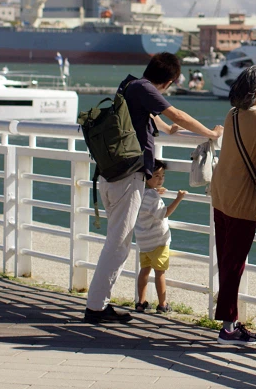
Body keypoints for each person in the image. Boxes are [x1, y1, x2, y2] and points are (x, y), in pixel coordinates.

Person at [85, 53, 223, 324]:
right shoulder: (145, 88)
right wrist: (212, 134)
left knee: (118, 241)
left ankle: (98, 304)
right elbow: (178, 115)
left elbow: (153, 117)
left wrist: (165, 128)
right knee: (118, 243)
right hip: (127, 177)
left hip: (113, 173)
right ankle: (96, 307)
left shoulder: (130, 86)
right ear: (170, 81)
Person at [209, 66, 256, 346]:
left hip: (221, 192)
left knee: (227, 260)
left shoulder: (233, 114)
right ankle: (228, 328)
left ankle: (230, 321)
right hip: (241, 200)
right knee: (234, 263)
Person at [134, 160, 186, 314]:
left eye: (162, 175)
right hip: (158, 241)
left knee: (144, 271)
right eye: (156, 175)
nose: (160, 179)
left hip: (143, 241)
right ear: (147, 175)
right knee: (160, 272)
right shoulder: (152, 197)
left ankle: (140, 302)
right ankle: (162, 304)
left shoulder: (140, 192)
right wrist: (179, 198)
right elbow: (164, 213)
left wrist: (155, 191)